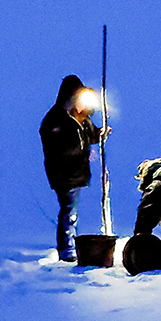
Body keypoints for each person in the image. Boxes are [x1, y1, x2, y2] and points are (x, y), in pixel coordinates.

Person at [39, 75, 107, 262]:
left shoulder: (82, 119)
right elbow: (54, 142)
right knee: (69, 210)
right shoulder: (56, 119)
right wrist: (75, 152)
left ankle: (69, 246)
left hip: (78, 172)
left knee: (71, 210)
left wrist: (100, 133)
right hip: (63, 172)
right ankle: (66, 249)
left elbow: (91, 136)